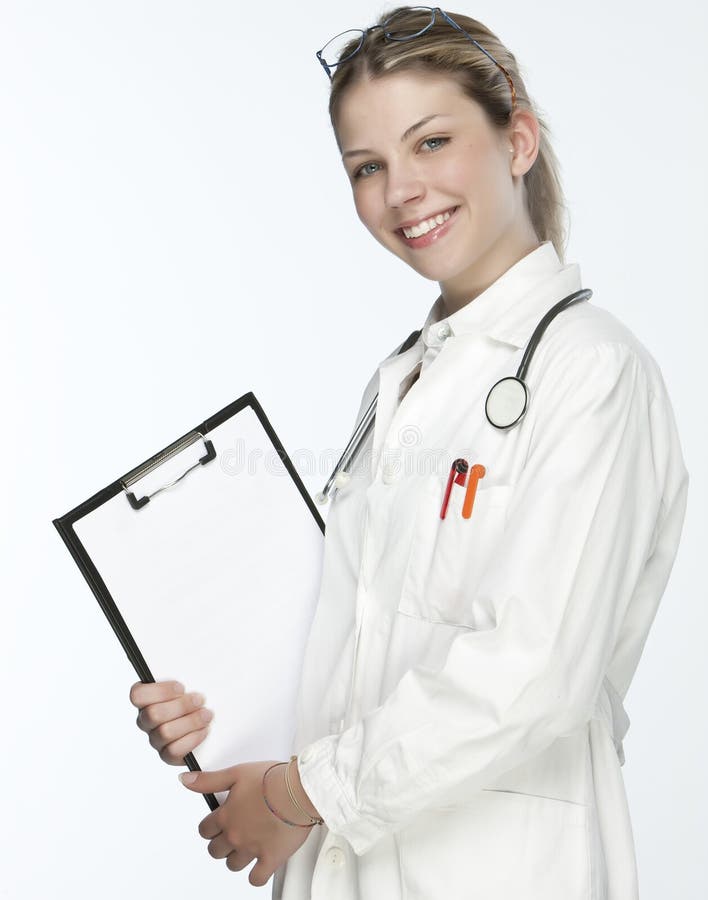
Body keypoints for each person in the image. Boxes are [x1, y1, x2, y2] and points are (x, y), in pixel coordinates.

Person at [129, 6, 689, 898]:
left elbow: (535, 669)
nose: (401, 191)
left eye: (432, 143)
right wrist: (222, 721)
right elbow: (354, 644)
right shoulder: (403, 382)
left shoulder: (593, 371)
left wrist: (303, 790)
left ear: (518, 140)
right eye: (368, 167)